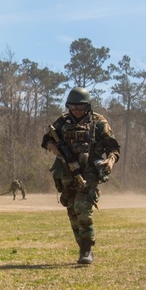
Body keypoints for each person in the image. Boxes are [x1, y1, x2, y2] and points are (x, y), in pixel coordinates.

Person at [41, 87, 120, 265]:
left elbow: (113, 147)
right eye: (73, 107)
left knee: (83, 205)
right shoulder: (63, 121)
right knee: (72, 210)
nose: (76, 111)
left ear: (88, 107)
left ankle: (87, 249)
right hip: (66, 171)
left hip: (89, 171)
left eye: (80, 108)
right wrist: (53, 148)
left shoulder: (98, 122)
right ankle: (81, 245)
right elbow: (46, 139)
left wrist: (110, 160)